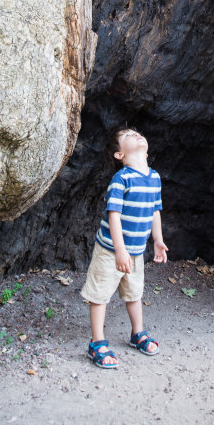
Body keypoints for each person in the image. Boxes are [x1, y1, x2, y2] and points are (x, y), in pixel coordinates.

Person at [80, 124, 168, 368]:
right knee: (100, 295)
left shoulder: (154, 178)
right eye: (128, 135)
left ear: (146, 152)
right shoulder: (121, 179)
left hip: (137, 250)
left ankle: (137, 333)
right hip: (111, 249)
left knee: (134, 293)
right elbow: (114, 215)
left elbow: (155, 211)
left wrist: (158, 240)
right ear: (120, 155)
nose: (136, 134)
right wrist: (119, 249)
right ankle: (97, 342)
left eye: (137, 132)